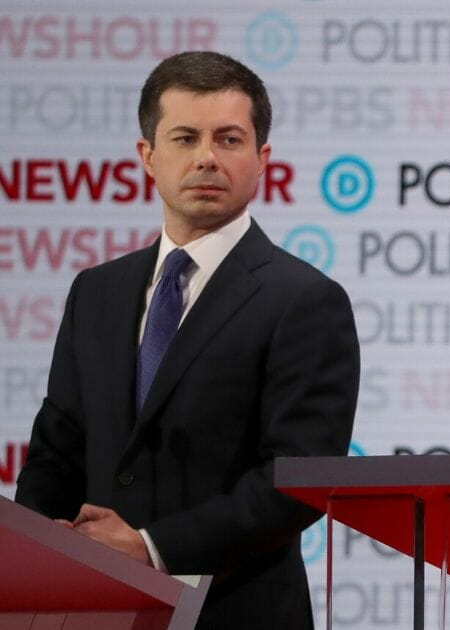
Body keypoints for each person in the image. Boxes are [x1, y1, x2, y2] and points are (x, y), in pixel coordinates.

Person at [15, 51, 360, 629]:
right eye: (184, 138)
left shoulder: (305, 300)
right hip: (90, 610)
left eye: (229, 139)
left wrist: (150, 547)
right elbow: (57, 447)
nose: (206, 158)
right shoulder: (95, 292)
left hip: (237, 612)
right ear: (147, 156)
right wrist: (42, 554)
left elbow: (296, 481)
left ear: (262, 159)